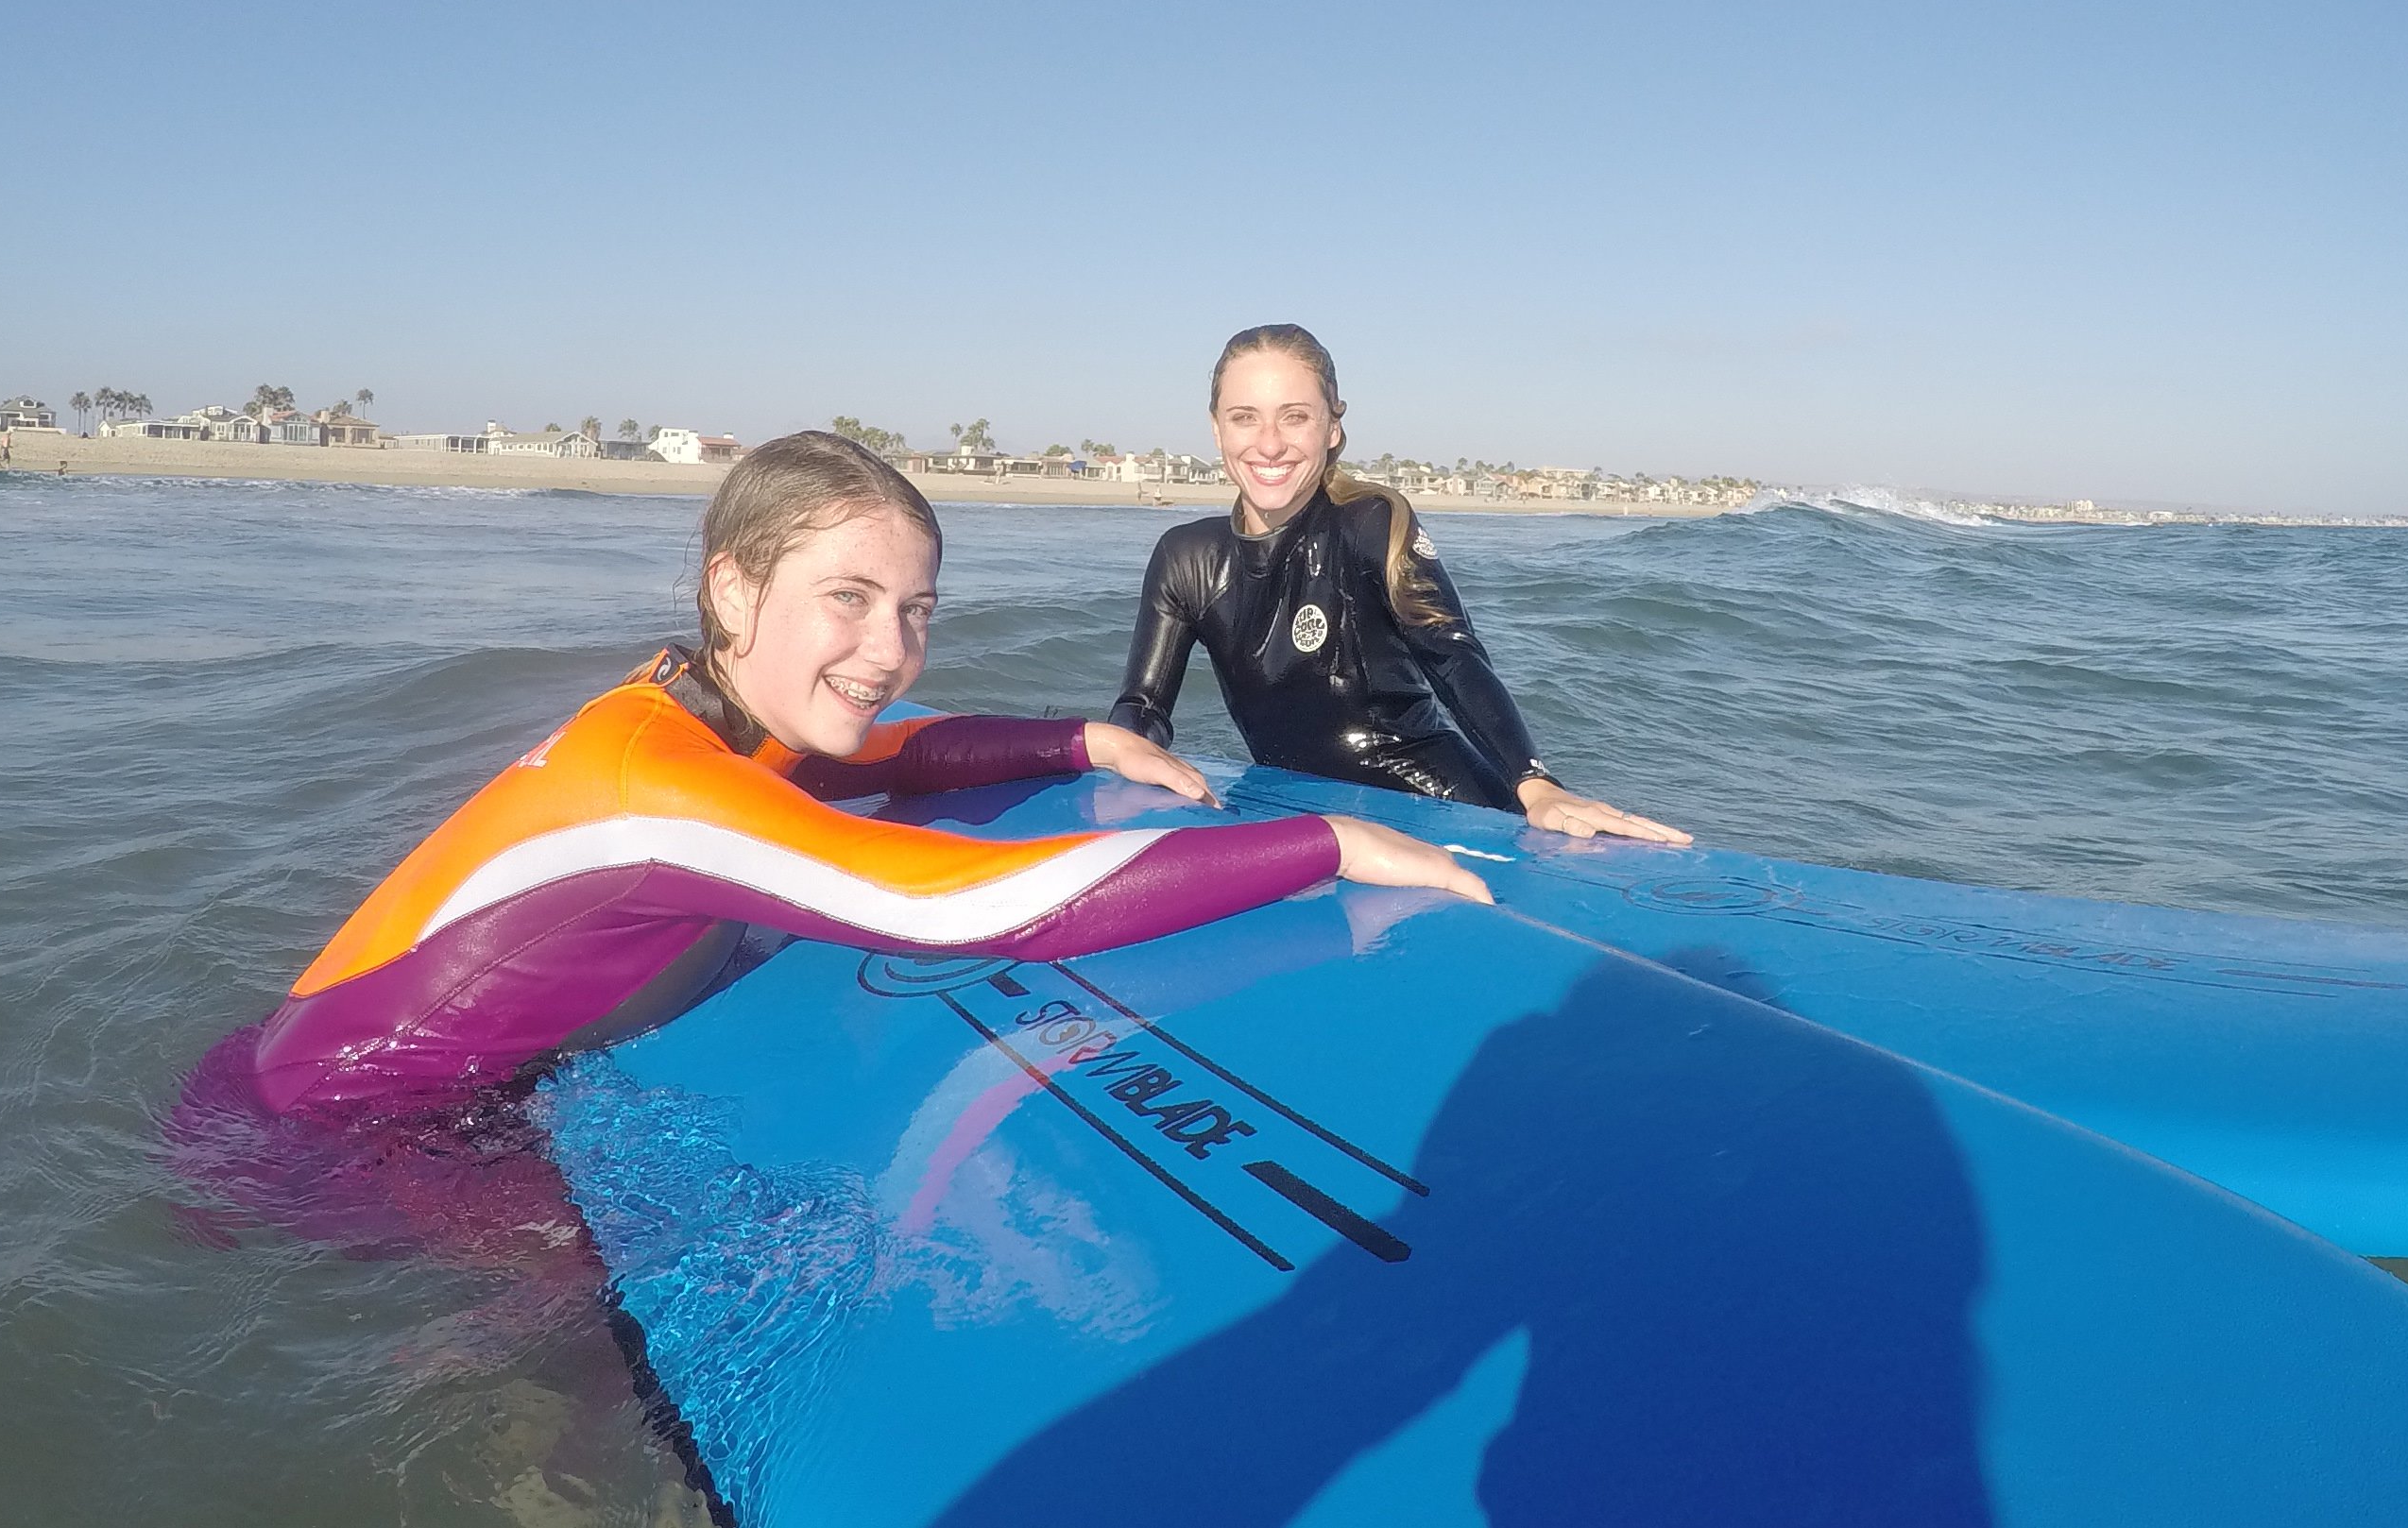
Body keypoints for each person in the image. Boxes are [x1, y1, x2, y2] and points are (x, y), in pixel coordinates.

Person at [250, 431, 1484, 1114]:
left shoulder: (684, 704)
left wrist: (1078, 741)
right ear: (736, 585)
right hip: (341, 1126)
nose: (891, 652)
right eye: (848, 599)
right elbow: (963, 907)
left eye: (917, 610)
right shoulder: (652, 786)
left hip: (345, 1073)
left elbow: (889, 754)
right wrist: (1332, 845)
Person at [1112, 326, 1687, 842]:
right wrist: (1123, 753)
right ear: (1216, 430)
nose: (1269, 444)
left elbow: (1453, 656)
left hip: (1441, 807)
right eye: (1245, 417)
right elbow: (1142, 707)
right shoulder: (1185, 557)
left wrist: (1532, 782)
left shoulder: (1370, 523)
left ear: (1333, 426)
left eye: (1295, 416)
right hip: (1313, 817)